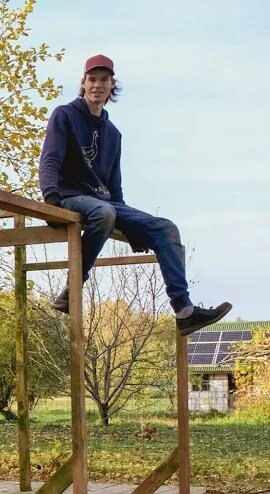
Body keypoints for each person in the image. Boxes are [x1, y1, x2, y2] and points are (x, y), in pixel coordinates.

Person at [39, 54, 231, 336]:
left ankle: (184, 311)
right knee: (104, 213)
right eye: (92, 80)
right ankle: (72, 288)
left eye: (104, 80)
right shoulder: (65, 115)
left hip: (105, 202)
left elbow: (114, 187)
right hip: (69, 195)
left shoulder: (113, 134)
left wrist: (132, 228)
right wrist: (50, 194)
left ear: (111, 86)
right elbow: (50, 157)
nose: (97, 85)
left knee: (166, 228)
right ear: (83, 83)